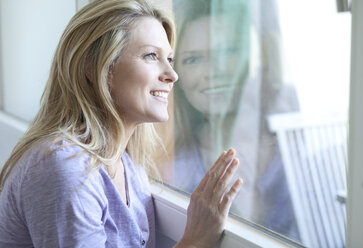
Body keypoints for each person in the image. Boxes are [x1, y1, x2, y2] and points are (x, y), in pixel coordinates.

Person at [0, 0, 243, 247]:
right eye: (151, 56)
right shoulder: (66, 167)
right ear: (95, 68)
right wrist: (195, 240)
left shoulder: (128, 165)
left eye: (169, 58)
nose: (172, 74)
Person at [170, 0, 300, 241]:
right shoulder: (171, 166)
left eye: (227, 52)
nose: (212, 71)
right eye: (193, 60)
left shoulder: (296, 150)